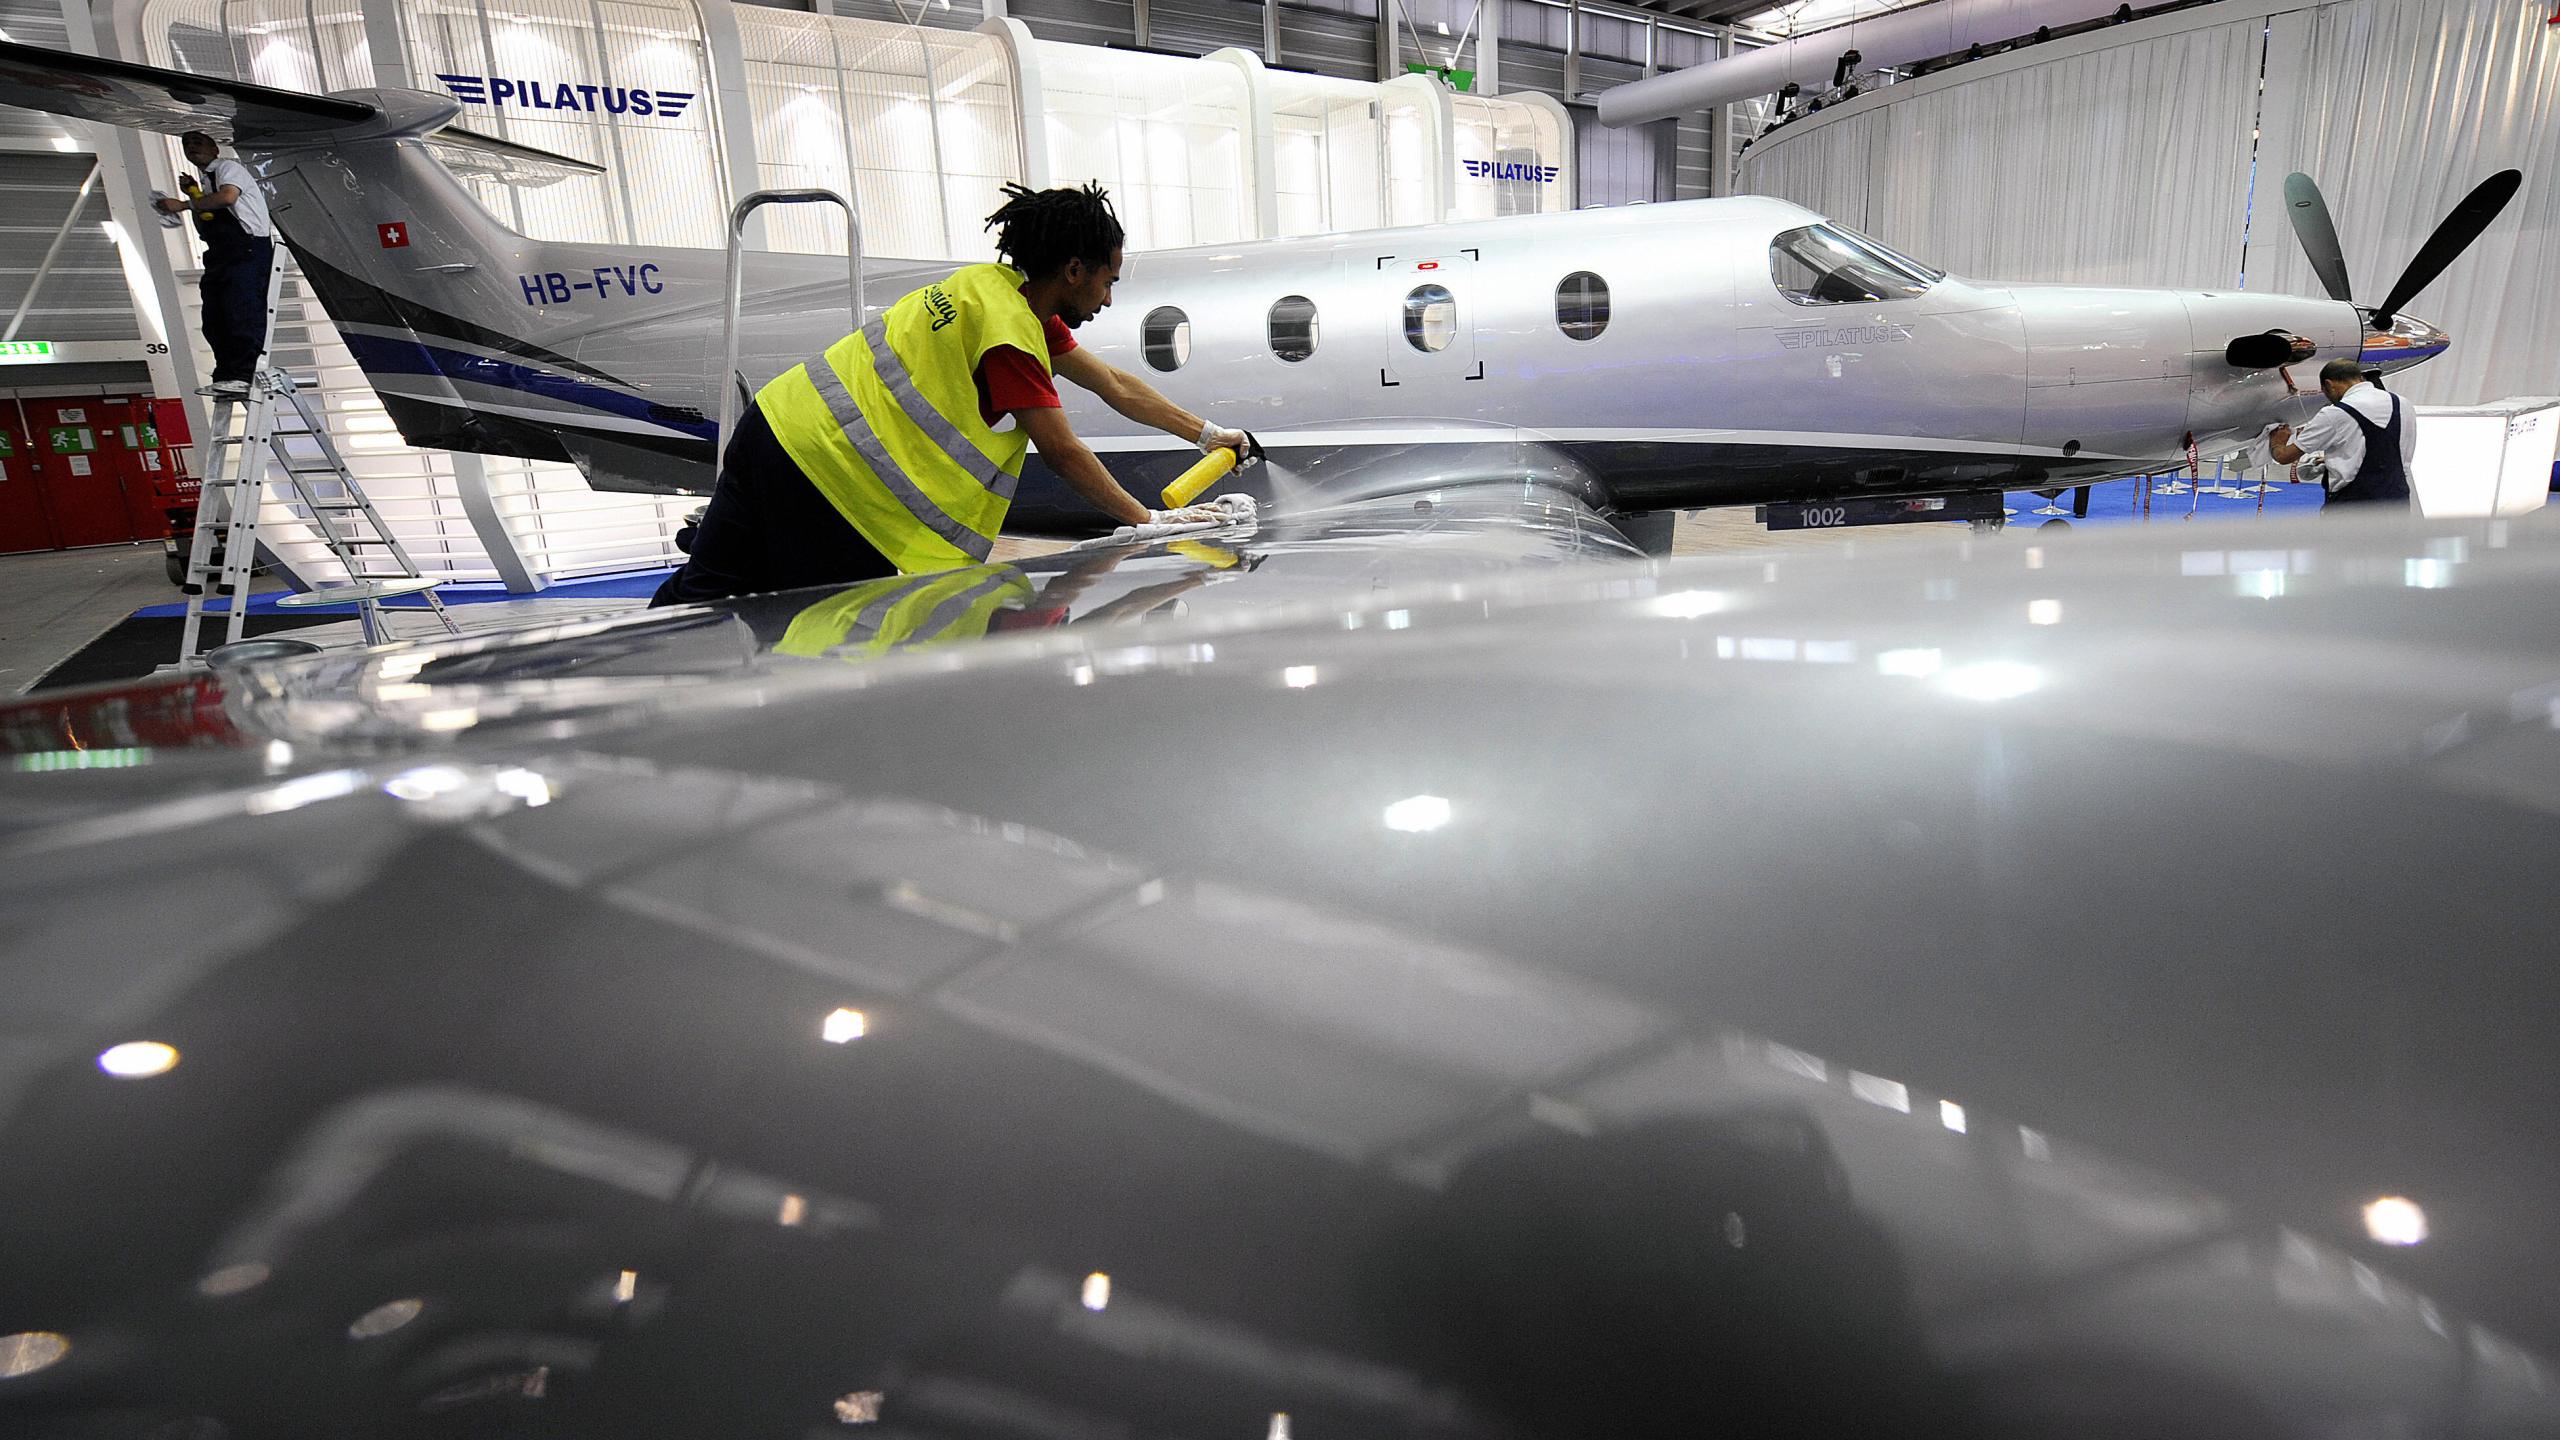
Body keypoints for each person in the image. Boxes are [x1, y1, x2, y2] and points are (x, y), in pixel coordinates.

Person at [654, 181, 1254, 607]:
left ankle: (622, 691)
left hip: (776, 424)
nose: (1108, 299)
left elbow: (1117, 386)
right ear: (1074, 270)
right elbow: (1065, 453)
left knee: (703, 590)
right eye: (1107, 281)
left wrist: (1209, 436)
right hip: (830, 479)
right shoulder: (1011, 335)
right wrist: (1146, 521)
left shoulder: (990, 290)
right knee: (821, 629)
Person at [152, 131, 274, 400]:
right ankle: (225, 375)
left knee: (240, 309)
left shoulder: (229, 169)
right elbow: (209, 213)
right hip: (221, 253)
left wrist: (184, 205)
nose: (191, 147)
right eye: (186, 144)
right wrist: (194, 196)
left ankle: (243, 374)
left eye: (198, 142)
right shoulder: (206, 184)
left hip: (247, 248)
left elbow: (228, 198)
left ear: (214, 148)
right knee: (215, 317)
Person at [2268, 358, 2417, 509]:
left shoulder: (2335, 413)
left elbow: (2284, 456)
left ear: (2328, 385)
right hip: (2398, 502)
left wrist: (2277, 442)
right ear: (2360, 378)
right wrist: (2335, 459)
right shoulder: (2403, 404)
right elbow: (2383, 448)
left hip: (2353, 507)